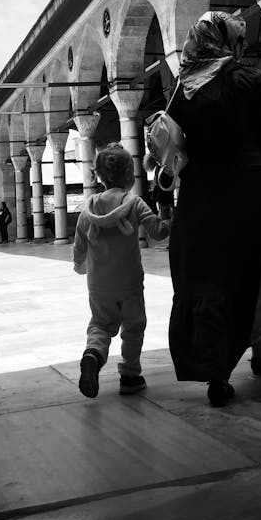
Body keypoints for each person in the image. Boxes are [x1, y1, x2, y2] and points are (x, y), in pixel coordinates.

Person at [167, 10, 261, 407]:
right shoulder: (248, 80)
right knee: (246, 279)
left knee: (205, 281)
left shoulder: (185, 86)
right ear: (231, 43)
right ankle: (257, 349)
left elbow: (172, 143)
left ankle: (215, 369)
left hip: (199, 197)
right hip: (245, 193)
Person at [74, 143, 172, 399]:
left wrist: (79, 266)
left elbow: (79, 247)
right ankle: (130, 375)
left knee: (100, 325)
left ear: (98, 176)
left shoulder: (88, 209)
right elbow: (159, 232)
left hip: (98, 285)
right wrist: (167, 212)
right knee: (133, 327)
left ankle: (93, 354)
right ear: (130, 174)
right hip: (129, 283)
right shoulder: (135, 203)